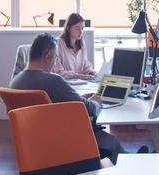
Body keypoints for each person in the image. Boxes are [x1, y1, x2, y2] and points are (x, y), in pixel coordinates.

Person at [11, 33, 120, 162]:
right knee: (111, 141)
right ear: (48, 57)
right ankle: (132, 161)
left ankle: (135, 156)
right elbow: (89, 109)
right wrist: (96, 101)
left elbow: (48, 107)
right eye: (55, 58)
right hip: (64, 140)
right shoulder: (53, 81)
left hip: (34, 144)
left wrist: (78, 98)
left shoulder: (15, 82)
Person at [52, 12, 95, 80]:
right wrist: (79, 76)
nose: (81, 32)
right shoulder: (58, 44)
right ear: (68, 28)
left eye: (82, 28)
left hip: (81, 84)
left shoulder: (82, 44)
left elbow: (85, 65)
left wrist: (91, 73)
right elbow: (58, 72)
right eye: (77, 28)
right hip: (64, 84)